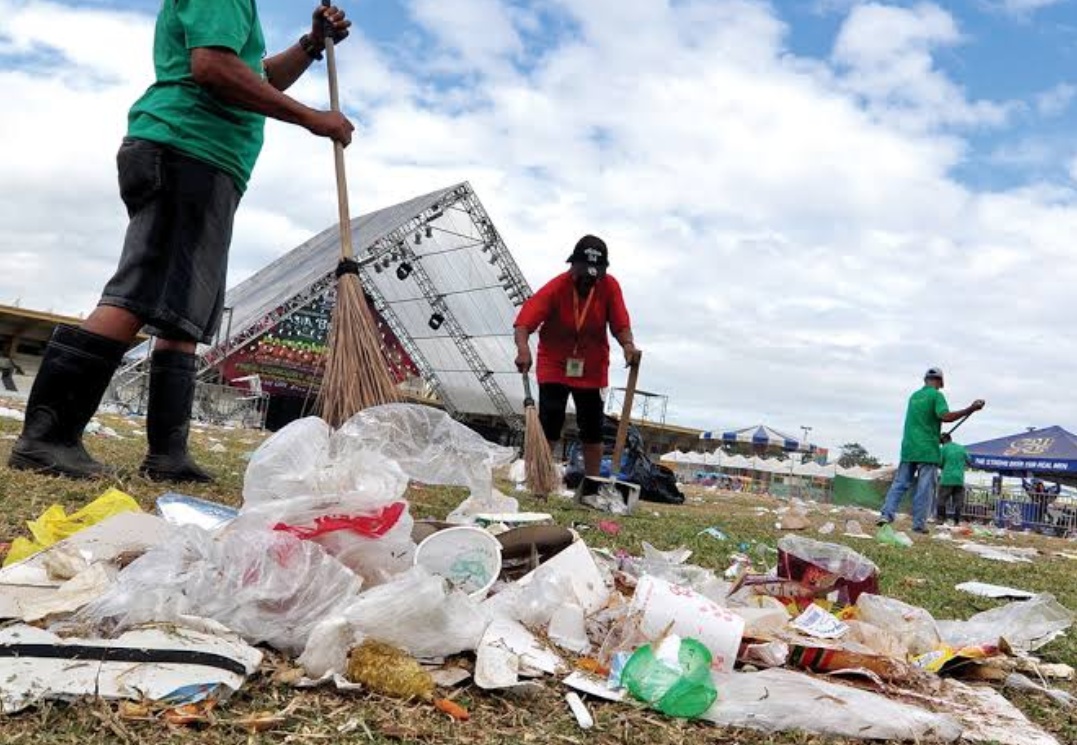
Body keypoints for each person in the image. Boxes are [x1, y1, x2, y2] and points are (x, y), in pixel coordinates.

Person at [8, 2, 356, 482]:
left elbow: (258, 75)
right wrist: (312, 118)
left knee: (184, 316)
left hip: (210, 161)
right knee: (142, 291)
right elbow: (213, 68)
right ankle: (46, 439)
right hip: (186, 147)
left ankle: (167, 455)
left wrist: (310, 44)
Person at [514, 235, 639, 491]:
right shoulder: (557, 287)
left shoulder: (610, 286)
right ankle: (539, 481)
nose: (588, 281)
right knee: (550, 421)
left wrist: (628, 346)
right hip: (555, 362)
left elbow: (620, 322)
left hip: (591, 366)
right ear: (573, 267)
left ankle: (592, 487)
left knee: (592, 427)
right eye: (583, 274)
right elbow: (524, 322)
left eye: (594, 276)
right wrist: (523, 349)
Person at [877, 368, 985, 534]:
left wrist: (936, 435)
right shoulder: (936, 395)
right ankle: (919, 524)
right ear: (941, 382)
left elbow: (923, 423)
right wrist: (970, 409)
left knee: (899, 484)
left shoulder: (914, 396)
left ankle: (886, 514)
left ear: (925, 380)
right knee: (924, 488)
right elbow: (945, 416)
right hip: (927, 450)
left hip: (909, 447)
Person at [937, 433, 970, 525]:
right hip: (959, 479)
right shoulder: (961, 448)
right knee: (958, 502)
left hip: (947, 479)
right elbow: (969, 460)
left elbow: (939, 463)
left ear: (943, 441)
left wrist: (945, 466)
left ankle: (941, 519)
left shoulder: (943, 449)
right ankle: (956, 521)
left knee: (942, 500)